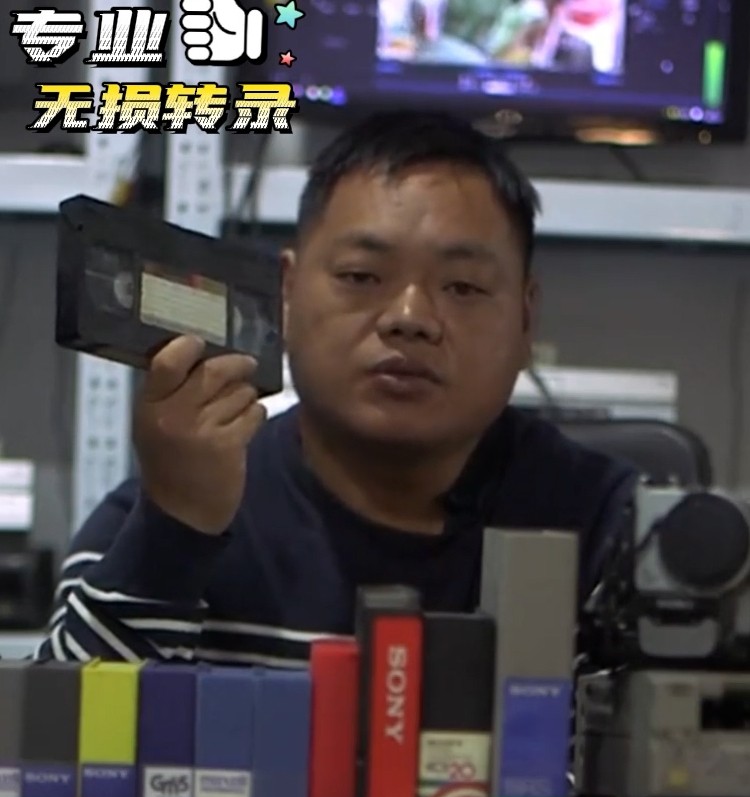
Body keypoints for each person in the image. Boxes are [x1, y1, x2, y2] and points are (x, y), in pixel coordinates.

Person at [38, 110, 638, 667]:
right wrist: (177, 530)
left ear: (526, 319)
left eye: (463, 287)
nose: (410, 318)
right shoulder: (173, 504)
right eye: (361, 276)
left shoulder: (610, 530)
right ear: (287, 293)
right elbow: (61, 736)